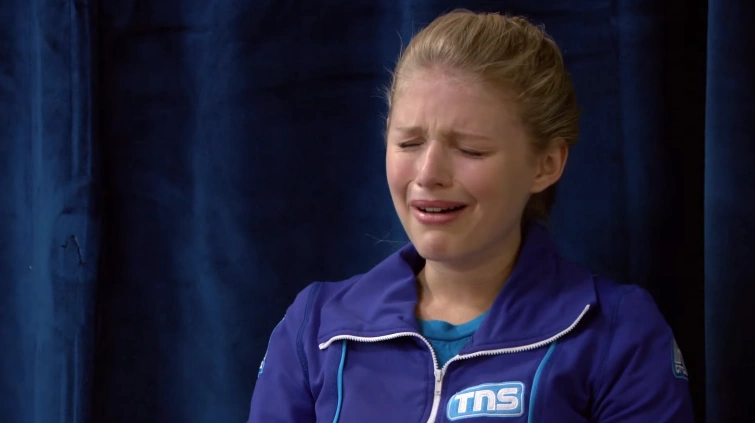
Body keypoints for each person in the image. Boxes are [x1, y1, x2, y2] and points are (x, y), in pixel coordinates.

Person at [247, 9, 695, 423]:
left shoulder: (617, 332)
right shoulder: (315, 329)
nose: (428, 174)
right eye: (408, 143)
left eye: (470, 149)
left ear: (546, 165)